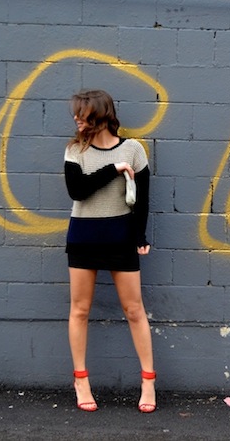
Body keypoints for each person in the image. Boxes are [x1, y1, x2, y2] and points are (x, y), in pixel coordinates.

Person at [63, 89, 156, 413]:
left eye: (82, 114)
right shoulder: (75, 150)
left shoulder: (133, 150)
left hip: (120, 237)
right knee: (80, 310)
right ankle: (81, 380)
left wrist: (140, 236)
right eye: (76, 114)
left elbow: (142, 198)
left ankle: (148, 381)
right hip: (84, 236)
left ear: (100, 116)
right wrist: (112, 169)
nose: (76, 119)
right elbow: (78, 191)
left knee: (134, 310)